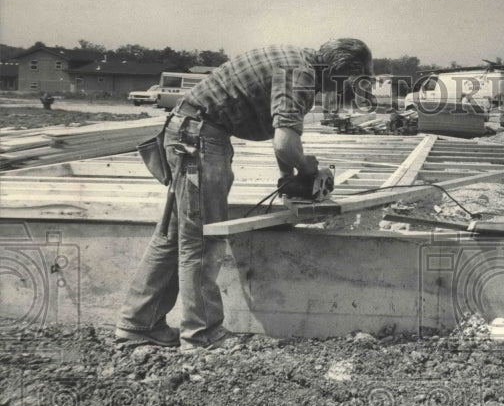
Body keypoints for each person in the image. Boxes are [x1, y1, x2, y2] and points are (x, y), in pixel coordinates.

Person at [115, 39, 373, 351]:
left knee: (172, 236)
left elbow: (283, 131)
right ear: (341, 73)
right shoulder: (300, 76)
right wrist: (306, 169)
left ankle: (139, 324)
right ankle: (202, 335)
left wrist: (287, 177)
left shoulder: (296, 60)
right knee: (203, 238)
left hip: (189, 130)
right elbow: (285, 144)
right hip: (197, 138)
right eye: (346, 85)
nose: (336, 95)